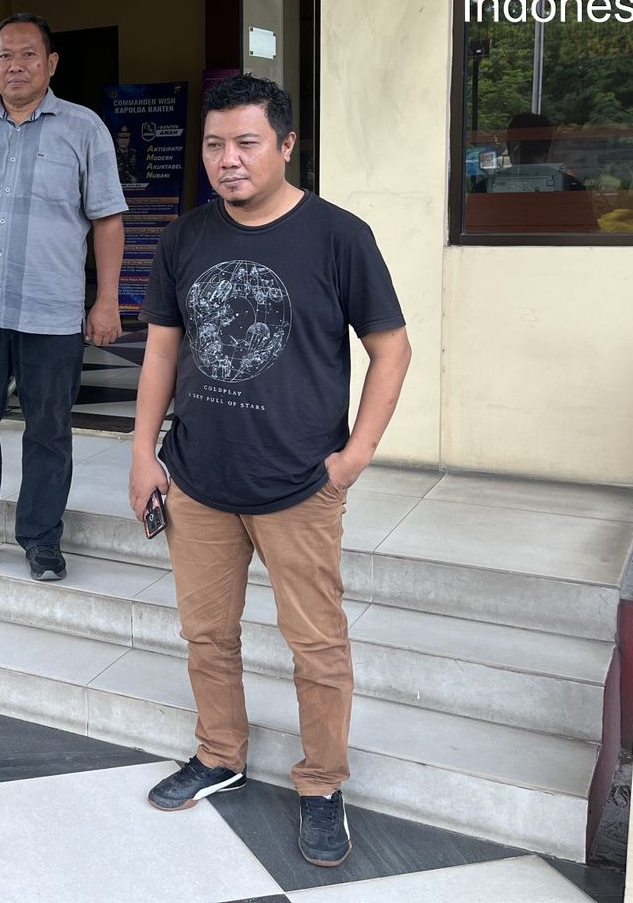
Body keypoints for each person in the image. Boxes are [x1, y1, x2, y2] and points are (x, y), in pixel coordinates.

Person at [128, 74, 411, 868]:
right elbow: (162, 350)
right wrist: (143, 452)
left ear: (286, 145)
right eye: (214, 144)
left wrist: (354, 456)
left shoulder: (338, 235)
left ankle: (322, 783)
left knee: (316, 646)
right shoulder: (185, 237)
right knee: (206, 634)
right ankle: (220, 753)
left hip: (298, 485)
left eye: (247, 142)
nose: (228, 159)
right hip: (198, 479)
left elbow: (392, 349)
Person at [0, 12, 127, 582]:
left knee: (49, 428)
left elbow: (108, 219)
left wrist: (107, 300)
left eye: (29, 54)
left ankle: (40, 537)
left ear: (51, 63)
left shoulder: (83, 129)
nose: (16, 65)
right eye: (5, 55)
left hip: (51, 311)